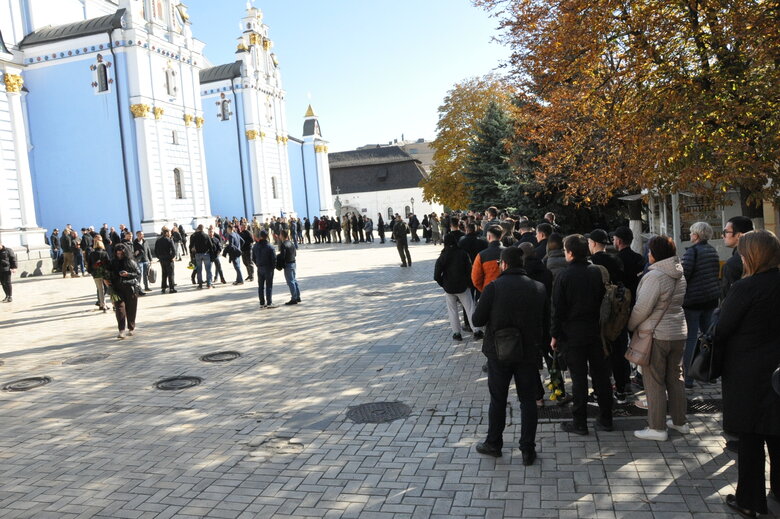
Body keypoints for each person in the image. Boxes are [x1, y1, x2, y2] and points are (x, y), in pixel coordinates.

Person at [715, 230, 780, 518]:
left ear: (751, 256)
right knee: (778, 433)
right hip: (777, 373)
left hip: (748, 373)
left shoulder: (746, 288)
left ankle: (750, 502)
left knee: (751, 439)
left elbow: (723, 328)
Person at [472, 247, 547, 465]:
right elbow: (545, 322)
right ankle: (527, 450)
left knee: (498, 399)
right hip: (528, 353)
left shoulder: (494, 287)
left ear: (503, 264)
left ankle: (494, 443)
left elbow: (477, 320)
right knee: (528, 401)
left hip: (498, 353)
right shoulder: (538, 288)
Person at [627, 235, 688, 441]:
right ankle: (680, 422)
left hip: (657, 334)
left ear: (656, 254)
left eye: (650, 251)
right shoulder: (679, 273)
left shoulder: (655, 276)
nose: (648, 255)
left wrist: (631, 326)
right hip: (678, 331)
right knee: (676, 378)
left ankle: (657, 427)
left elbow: (642, 308)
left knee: (654, 381)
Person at [551, 234, 613, 435]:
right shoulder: (596, 271)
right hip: (596, 332)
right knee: (600, 376)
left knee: (578, 380)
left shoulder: (563, 276)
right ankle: (606, 419)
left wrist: (554, 335)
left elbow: (558, 310)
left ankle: (580, 422)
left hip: (573, 334)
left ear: (569, 253)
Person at [679, 222, 721, 389]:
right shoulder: (713, 251)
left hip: (693, 302)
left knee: (690, 339)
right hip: (710, 300)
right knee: (709, 337)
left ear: (696, 235)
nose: (690, 236)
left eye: (691, 233)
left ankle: (688, 378)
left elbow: (685, 276)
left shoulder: (692, 252)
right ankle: (709, 374)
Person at [434, 234, 483, 341]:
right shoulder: (463, 253)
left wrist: (443, 284)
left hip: (449, 288)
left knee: (452, 310)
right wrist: (469, 284)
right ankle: (476, 331)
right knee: (470, 308)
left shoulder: (443, 255)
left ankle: (457, 333)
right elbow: (470, 270)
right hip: (463, 286)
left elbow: (436, 275)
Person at [106, 244, 139, 339]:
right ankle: (121, 330)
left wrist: (127, 274)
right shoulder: (113, 262)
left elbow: (138, 274)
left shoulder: (131, 262)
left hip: (131, 288)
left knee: (131, 309)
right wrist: (107, 279)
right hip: (117, 289)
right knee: (120, 309)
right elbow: (108, 273)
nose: (119, 255)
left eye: (121, 253)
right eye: (118, 253)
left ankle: (131, 328)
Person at [721, 215, 755, 299]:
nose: (722, 235)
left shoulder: (732, 264)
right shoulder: (761, 255)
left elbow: (729, 299)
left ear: (739, 235)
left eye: (726, 232)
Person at [471, 226, 504, 294]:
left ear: (488, 237)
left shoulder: (481, 255)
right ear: (501, 237)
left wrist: (484, 290)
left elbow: (475, 279)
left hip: (489, 290)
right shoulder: (509, 252)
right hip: (506, 290)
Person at [252, 230, 277, 308]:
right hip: (268, 268)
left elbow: (253, 258)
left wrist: (257, 264)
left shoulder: (255, 246)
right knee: (269, 285)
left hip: (260, 267)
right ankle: (269, 302)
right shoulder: (270, 247)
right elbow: (274, 259)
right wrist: (273, 267)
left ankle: (262, 302)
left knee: (261, 286)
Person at [87, 236, 110, 311]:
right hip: (104, 273)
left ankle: (102, 304)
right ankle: (113, 304)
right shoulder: (105, 253)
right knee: (109, 288)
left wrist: (91, 272)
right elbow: (108, 263)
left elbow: (89, 264)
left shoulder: (92, 254)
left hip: (96, 274)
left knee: (100, 289)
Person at [279, 230, 301, 305]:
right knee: (294, 280)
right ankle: (298, 296)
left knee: (290, 282)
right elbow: (295, 253)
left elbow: (282, 256)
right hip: (293, 263)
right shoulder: (291, 243)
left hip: (288, 264)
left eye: (280, 234)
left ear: (282, 235)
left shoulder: (283, 244)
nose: (279, 236)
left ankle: (294, 298)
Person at [154, 226, 177, 293]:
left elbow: (155, 251)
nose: (171, 234)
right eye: (170, 232)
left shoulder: (158, 240)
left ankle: (163, 288)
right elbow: (174, 250)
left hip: (162, 259)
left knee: (164, 273)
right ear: (166, 233)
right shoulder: (169, 240)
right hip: (169, 259)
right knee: (171, 274)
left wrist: (159, 257)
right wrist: (172, 257)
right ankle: (171, 288)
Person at [190, 224, 213, 289]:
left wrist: (192, 253)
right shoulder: (206, 236)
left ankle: (200, 285)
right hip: (206, 254)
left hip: (198, 254)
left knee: (199, 270)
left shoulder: (194, 236)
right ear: (203, 229)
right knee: (208, 270)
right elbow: (211, 246)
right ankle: (209, 284)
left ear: (198, 228)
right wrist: (211, 254)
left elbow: (191, 245)